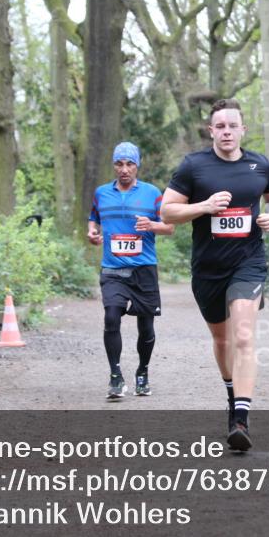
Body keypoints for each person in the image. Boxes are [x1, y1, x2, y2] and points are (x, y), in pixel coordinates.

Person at [161, 99, 269, 451]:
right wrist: (204, 206)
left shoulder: (260, 165)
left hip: (248, 262)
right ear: (211, 131)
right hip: (208, 269)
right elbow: (167, 212)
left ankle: (241, 419)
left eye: (233, 125)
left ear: (243, 129)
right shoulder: (194, 166)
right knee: (222, 341)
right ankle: (232, 397)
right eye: (220, 126)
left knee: (243, 336)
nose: (227, 132)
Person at [88, 142, 174, 399]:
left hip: (143, 269)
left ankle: (142, 372)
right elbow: (94, 219)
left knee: (145, 327)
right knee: (111, 317)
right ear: (113, 165)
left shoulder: (152, 193)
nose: (124, 169)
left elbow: (169, 227)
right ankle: (115, 376)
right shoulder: (101, 193)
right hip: (113, 268)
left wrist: (152, 225)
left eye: (129, 164)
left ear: (137, 166)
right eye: (119, 164)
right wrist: (92, 233)